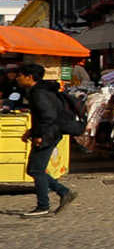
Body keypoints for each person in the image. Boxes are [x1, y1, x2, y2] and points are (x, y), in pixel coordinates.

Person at [17, 64, 76, 217]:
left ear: (29, 77)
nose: (18, 78)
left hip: (47, 135)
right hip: (49, 133)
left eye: (20, 75)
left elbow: (48, 116)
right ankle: (64, 192)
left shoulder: (39, 93)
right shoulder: (42, 91)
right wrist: (31, 131)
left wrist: (38, 135)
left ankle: (44, 206)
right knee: (33, 170)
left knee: (36, 170)